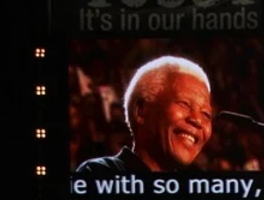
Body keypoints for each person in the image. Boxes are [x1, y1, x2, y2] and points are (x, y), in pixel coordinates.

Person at [75, 56, 213, 175]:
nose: (197, 120)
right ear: (141, 111)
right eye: (184, 104)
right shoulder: (101, 174)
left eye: (206, 114)